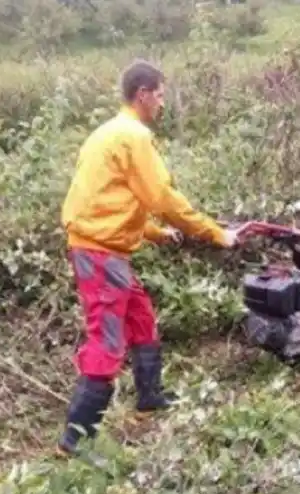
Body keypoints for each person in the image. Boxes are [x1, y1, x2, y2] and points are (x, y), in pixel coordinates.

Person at [57, 60, 239, 456]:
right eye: (159, 94)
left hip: (105, 247)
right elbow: (161, 198)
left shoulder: (107, 133)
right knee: (107, 339)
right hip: (100, 252)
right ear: (142, 94)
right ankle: (76, 438)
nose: (162, 102)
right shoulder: (134, 136)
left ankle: (149, 397)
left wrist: (155, 233)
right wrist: (214, 232)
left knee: (140, 316)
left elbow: (109, 199)